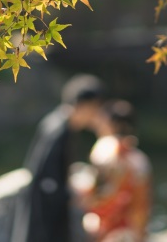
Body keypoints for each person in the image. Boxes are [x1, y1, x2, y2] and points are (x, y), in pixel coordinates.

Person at [11, 74, 107, 242]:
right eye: (95, 108)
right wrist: (72, 195)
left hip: (44, 206)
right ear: (85, 105)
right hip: (44, 213)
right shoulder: (58, 130)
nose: (95, 115)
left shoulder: (58, 123)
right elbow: (47, 181)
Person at [75, 100, 152, 242]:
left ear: (113, 124)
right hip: (133, 230)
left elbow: (95, 194)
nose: (98, 124)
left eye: (102, 120)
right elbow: (143, 203)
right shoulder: (140, 159)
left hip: (109, 229)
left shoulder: (104, 148)